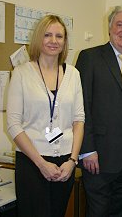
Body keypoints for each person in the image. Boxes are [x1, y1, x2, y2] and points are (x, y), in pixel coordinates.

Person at [75, 6, 122, 217]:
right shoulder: (90, 58)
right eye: (120, 25)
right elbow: (82, 107)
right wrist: (87, 150)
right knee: (99, 211)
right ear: (109, 28)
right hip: (99, 155)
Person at [6, 15, 85, 217]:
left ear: (65, 41)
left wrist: (72, 161)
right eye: (48, 35)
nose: (53, 40)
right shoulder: (22, 73)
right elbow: (14, 124)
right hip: (32, 162)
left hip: (65, 163)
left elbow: (79, 119)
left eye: (59, 36)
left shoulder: (73, 74)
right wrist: (41, 164)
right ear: (38, 38)